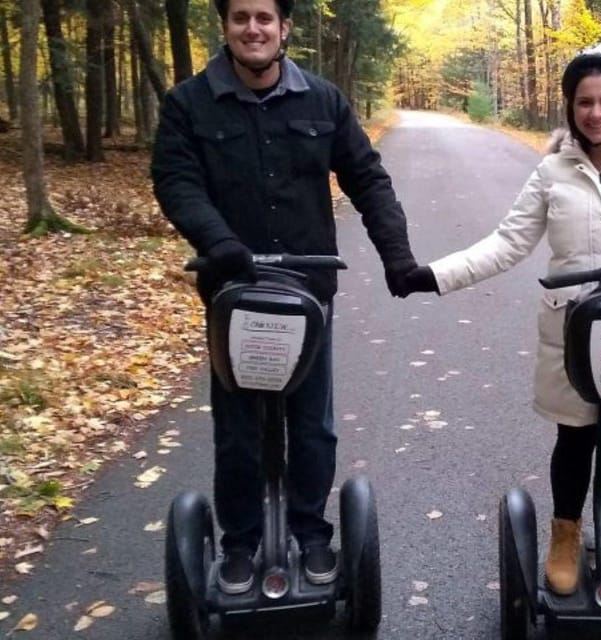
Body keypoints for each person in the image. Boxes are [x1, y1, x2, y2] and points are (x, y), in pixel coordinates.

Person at [402, 45, 601, 596]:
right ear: (570, 106)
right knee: (574, 438)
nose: (596, 113)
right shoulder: (553, 170)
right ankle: (565, 534)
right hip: (573, 328)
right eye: (584, 102)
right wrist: (434, 275)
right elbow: (507, 242)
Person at [151, 0, 417, 595]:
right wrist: (218, 240)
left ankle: (312, 531)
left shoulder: (322, 101)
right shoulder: (188, 104)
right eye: (241, 16)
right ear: (226, 26)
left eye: (264, 18)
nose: (253, 29)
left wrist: (396, 256)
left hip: (307, 292)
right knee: (240, 428)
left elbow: (368, 178)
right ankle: (240, 542)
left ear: (284, 28)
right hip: (233, 295)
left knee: (313, 425)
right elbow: (176, 180)